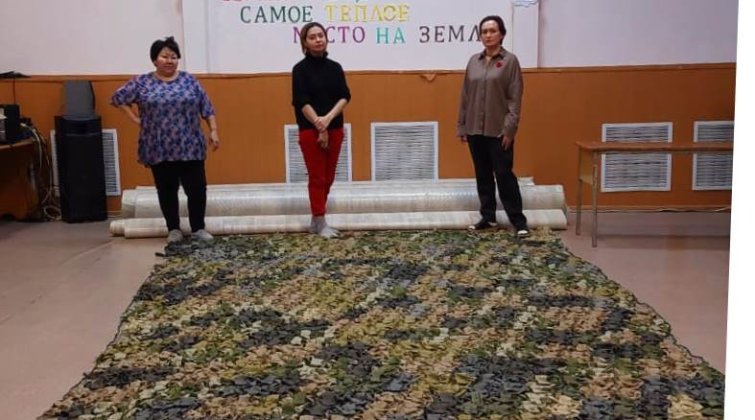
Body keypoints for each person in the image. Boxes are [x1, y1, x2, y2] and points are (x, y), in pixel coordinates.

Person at [111, 36, 219, 243]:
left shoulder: (189, 80)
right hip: (158, 146)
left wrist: (213, 130)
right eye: (164, 56)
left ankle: (198, 228)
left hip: (189, 144)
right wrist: (134, 118)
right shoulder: (142, 82)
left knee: (197, 189)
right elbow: (118, 98)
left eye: (174, 57)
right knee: (167, 190)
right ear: (154, 60)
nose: (169, 60)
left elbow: (206, 107)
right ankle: (174, 229)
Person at [457, 15, 530, 238]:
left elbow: (515, 98)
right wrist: (462, 126)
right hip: (475, 129)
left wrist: (510, 129)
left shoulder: (510, 61)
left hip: (499, 130)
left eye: (492, 31)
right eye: (484, 32)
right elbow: (465, 96)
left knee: (504, 174)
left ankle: (518, 221)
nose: (488, 35)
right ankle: (488, 217)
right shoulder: (473, 61)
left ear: (502, 34)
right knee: (482, 175)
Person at [291, 22, 351, 238]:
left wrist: (328, 119)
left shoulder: (335, 67)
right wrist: (319, 124)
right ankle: (320, 220)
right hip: (310, 131)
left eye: (321, 35)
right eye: (312, 37)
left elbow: (345, 96)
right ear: (305, 43)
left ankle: (316, 220)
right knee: (317, 177)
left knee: (329, 177)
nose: (318, 40)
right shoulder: (299, 70)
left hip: (334, 128)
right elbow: (301, 101)